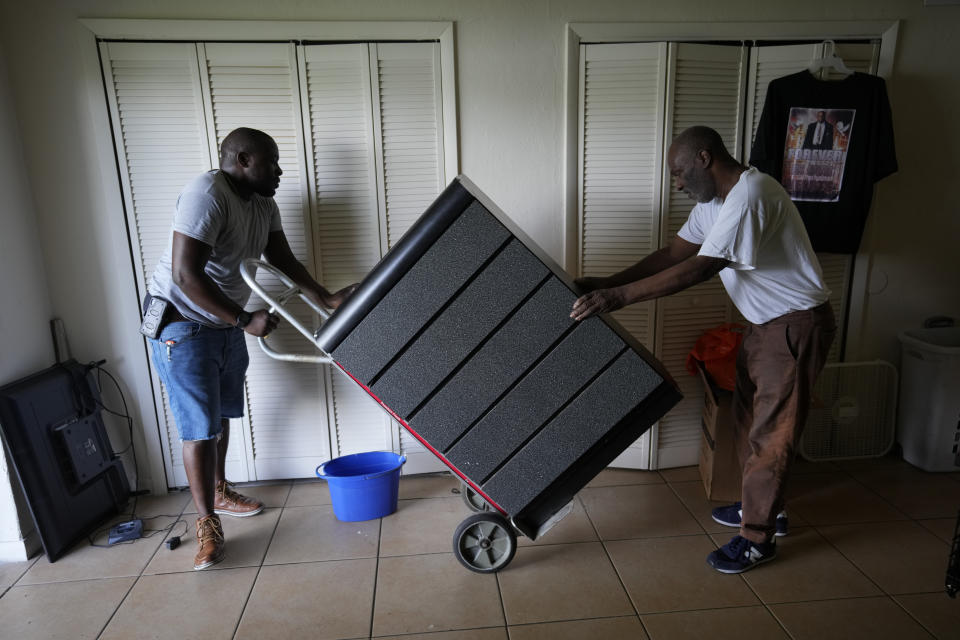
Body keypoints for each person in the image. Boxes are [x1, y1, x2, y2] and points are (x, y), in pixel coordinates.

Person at [571, 126, 835, 574]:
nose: (676, 183)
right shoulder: (712, 205)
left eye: (679, 172)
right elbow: (674, 254)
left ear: (705, 158)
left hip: (794, 327)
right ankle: (771, 510)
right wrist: (607, 283)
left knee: (772, 436)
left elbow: (701, 268)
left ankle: (756, 539)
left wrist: (619, 300)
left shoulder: (751, 195)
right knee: (749, 420)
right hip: (765, 323)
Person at [145, 127, 356, 570]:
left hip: (223, 322)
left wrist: (326, 298)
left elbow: (283, 261)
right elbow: (186, 276)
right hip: (181, 324)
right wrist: (245, 320)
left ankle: (219, 491)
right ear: (241, 159)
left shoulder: (263, 203)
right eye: (272, 162)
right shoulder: (207, 194)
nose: (279, 172)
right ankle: (206, 524)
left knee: (220, 416)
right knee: (198, 428)